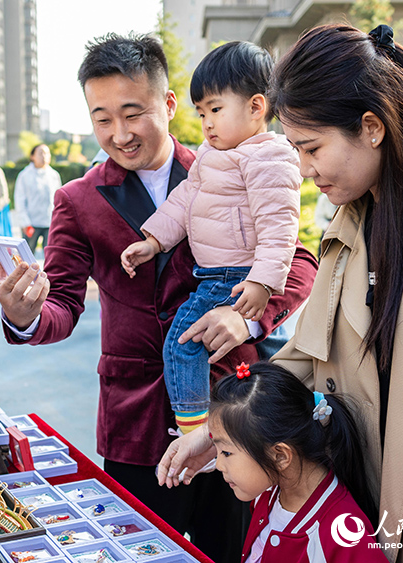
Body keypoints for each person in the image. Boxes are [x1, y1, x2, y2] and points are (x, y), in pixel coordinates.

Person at [159, 24, 403, 562]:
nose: (304, 171)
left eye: (311, 148)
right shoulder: (350, 219)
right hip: (368, 520)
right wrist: (222, 436)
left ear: (371, 127)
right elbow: (308, 356)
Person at [0, 33, 318, 562]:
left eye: (132, 113)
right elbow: (63, 304)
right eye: (102, 118)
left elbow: (299, 259)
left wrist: (249, 321)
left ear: (168, 105)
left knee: (234, 551)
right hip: (134, 424)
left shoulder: (232, 161)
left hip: (231, 412)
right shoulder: (75, 201)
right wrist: (25, 314)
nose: (118, 134)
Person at [121, 41, 301, 435]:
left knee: (182, 344)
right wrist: (153, 239)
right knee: (262, 358)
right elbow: (182, 201)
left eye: (216, 110)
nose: (207, 123)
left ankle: (195, 430)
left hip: (234, 277)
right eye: (202, 113)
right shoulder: (210, 155)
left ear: (256, 107)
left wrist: (261, 283)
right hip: (217, 274)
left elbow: (279, 228)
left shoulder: (268, 158)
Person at [206, 362, 386, 562]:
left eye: (226, 453)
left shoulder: (344, 533)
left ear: (280, 456)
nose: (218, 465)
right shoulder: (269, 490)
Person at [14, 144, 62, 253]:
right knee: (27, 256)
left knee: (52, 256)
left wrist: (58, 220)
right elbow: (20, 199)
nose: (44, 156)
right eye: (40, 153)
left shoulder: (54, 175)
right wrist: (24, 222)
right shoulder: (24, 175)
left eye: (46, 153)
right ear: (32, 156)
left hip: (50, 222)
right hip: (31, 223)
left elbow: (58, 200)